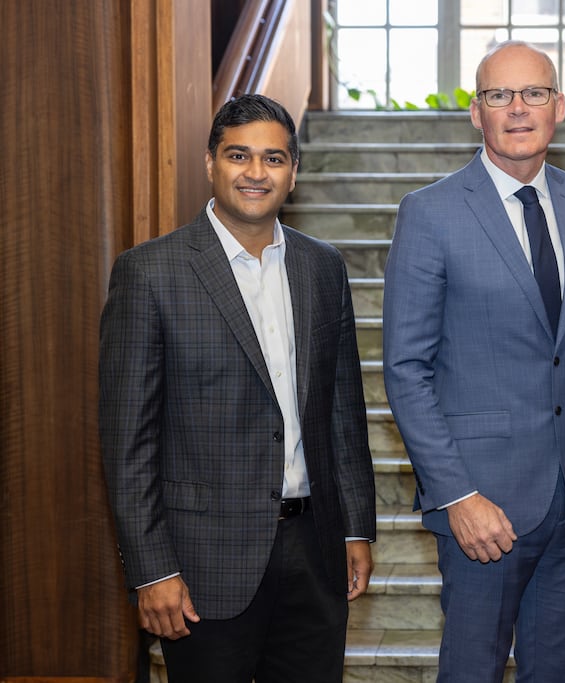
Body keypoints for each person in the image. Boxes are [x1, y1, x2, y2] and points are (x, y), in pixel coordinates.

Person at [382, 41, 565, 682]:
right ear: (477, 113)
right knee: (472, 670)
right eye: (499, 95)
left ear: (559, 107)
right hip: (482, 505)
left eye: (534, 93)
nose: (518, 108)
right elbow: (407, 371)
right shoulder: (430, 212)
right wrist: (456, 495)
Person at [99, 94, 376, 683]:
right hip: (203, 562)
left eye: (273, 158)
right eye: (238, 155)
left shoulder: (323, 267)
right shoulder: (150, 272)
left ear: (293, 171)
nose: (256, 172)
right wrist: (152, 570)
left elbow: (343, 411)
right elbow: (128, 444)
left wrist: (354, 527)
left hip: (315, 549)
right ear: (210, 163)